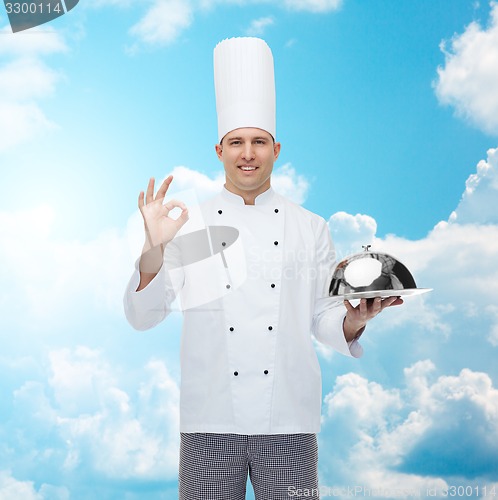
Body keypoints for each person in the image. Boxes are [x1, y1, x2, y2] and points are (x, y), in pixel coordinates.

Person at [124, 37, 402, 500]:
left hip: (289, 420)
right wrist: (153, 248)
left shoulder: (310, 227)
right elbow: (143, 316)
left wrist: (354, 320)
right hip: (208, 422)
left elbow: (321, 316)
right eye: (236, 142)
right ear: (218, 150)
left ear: (277, 148)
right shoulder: (188, 225)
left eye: (258, 142)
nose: (247, 153)